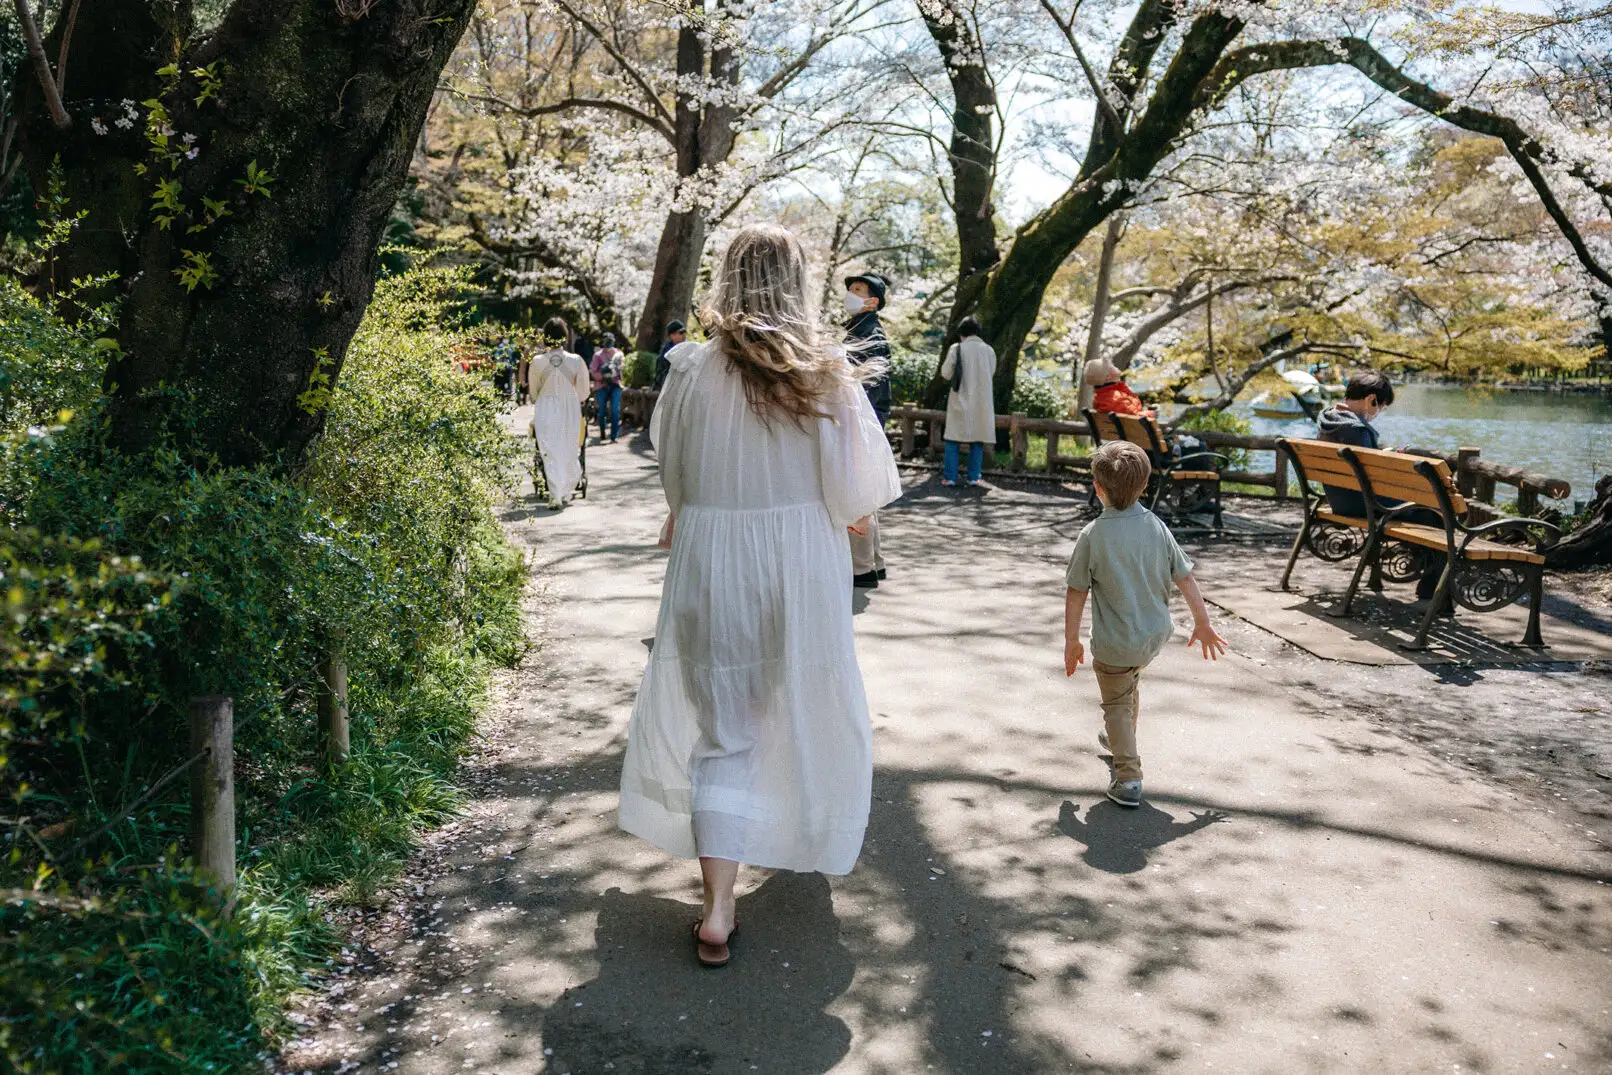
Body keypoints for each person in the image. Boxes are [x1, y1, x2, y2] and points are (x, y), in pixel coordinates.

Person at [619, 223, 900, 969]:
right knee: (799, 706)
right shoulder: (827, 374)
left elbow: (674, 478)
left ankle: (717, 905)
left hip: (713, 554)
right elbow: (859, 498)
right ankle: (788, 836)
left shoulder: (688, 369)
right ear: (799, 282)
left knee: (725, 727)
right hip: (801, 558)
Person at [1064, 440, 1227, 808]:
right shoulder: (1156, 525)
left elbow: (1076, 592)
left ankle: (1128, 777)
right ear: (1144, 488)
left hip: (1115, 641)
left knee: (1117, 702)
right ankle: (1119, 737)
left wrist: (1071, 641)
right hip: (1153, 636)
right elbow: (1185, 578)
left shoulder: (1093, 535)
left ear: (1097, 488)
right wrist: (1202, 623)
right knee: (1128, 687)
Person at [1315, 370, 1443, 602]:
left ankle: (1417, 568)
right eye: (1380, 406)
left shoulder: (1328, 419)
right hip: (1364, 505)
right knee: (1436, 517)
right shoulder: (1358, 430)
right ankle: (1432, 594)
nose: (1379, 412)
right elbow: (1375, 482)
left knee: (1426, 513)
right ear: (1371, 399)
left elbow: (1362, 466)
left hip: (1339, 500)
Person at [843, 271, 893, 589]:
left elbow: (867, 383)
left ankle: (861, 568)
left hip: (861, 417)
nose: (851, 293)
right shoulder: (861, 330)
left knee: (856, 493)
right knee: (865, 494)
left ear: (872, 301)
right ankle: (873, 561)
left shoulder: (868, 334)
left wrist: (857, 420)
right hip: (866, 418)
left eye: (858, 290)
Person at [527, 316, 591, 509]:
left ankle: (556, 493)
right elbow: (583, 391)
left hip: (546, 406)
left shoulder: (537, 361)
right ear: (564, 337)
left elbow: (533, 391)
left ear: (545, 337)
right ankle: (563, 491)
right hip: (569, 407)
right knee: (569, 447)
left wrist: (541, 397)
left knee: (549, 450)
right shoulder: (576, 361)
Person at [939, 316, 996, 487]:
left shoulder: (957, 348)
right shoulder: (989, 350)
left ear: (961, 333)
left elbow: (945, 373)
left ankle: (950, 477)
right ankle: (974, 476)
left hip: (959, 398)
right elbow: (990, 373)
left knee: (952, 439)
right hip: (981, 401)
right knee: (977, 439)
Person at [1085, 356, 1152, 417]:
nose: (1116, 367)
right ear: (1108, 376)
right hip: (1131, 429)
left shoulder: (1102, 396)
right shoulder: (1116, 399)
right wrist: (1150, 414)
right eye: (1112, 366)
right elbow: (1135, 417)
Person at [590, 331, 625, 443]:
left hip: (615, 384)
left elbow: (622, 367)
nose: (609, 344)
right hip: (602, 385)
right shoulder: (597, 356)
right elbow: (593, 371)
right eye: (607, 341)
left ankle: (614, 436)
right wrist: (603, 375)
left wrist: (615, 370)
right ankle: (602, 432)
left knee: (615, 410)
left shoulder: (618, 354)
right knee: (602, 411)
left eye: (610, 341)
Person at [653, 320, 688, 391]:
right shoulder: (667, 350)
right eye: (680, 333)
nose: (683, 335)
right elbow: (662, 370)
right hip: (669, 384)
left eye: (684, 332)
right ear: (672, 336)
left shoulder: (687, 347)